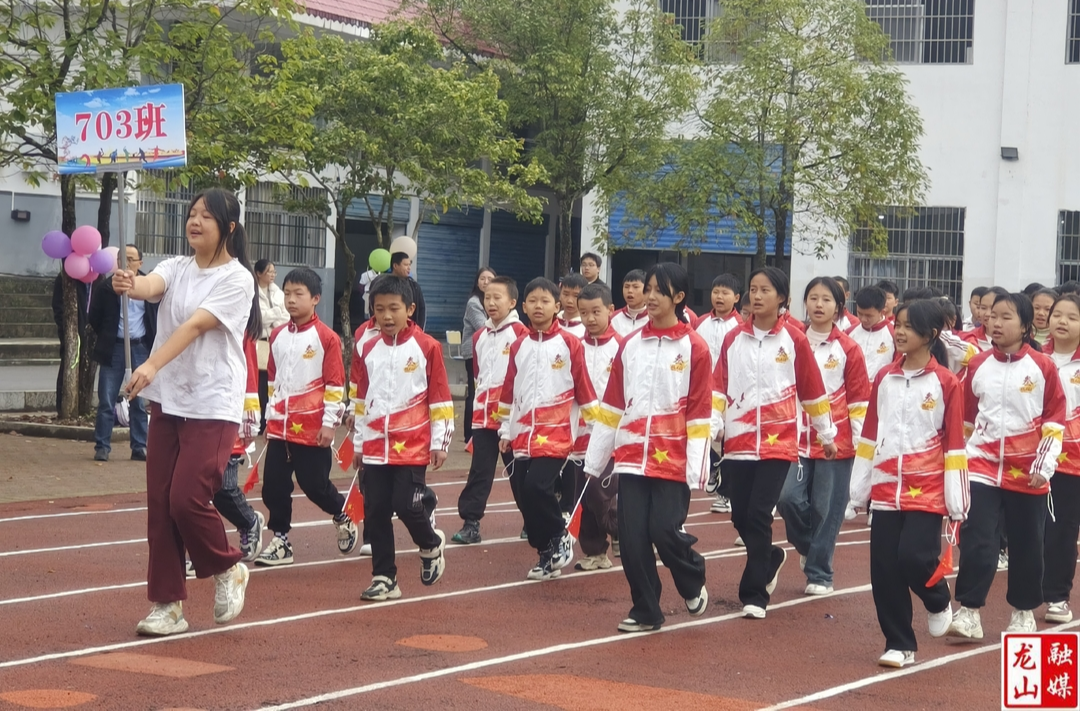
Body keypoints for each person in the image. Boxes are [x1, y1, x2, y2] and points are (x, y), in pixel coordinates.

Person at [114, 187, 259, 636]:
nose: (195, 221)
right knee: (159, 504)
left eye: (206, 217)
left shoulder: (237, 279)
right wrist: (128, 283)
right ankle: (167, 604)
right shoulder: (176, 267)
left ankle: (227, 567)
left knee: (186, 498)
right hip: (170, 401)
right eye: (192, 214)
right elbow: (149, 285)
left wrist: (152, 364)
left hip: (212, 402)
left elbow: (197, 325)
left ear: (228, 228)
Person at [585, 263, 713, 632]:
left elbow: (700, 410)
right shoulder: (630, 345)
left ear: (679, 297)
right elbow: (611, 406)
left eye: (660, 290)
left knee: (663, 531)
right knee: (633, 536)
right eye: (649, 289)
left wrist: (696, 468)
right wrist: (595, 460)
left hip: (672, 459)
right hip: (630, 457)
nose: (651, 296)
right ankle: (645, 608)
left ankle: (691, 576)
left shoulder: (695, 348)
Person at [849, 298, 968, 669]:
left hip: (928, 489)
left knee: (914, 558)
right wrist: (860, 488)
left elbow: (954, 443)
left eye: (908, 327)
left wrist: (956, 499)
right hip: (886, 489)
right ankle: (899, 642)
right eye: (897, 324)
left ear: (930, 335)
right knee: (884, 570)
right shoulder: (885, 378)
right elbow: (870, 434)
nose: (899, 332)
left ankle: (936, 598)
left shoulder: (946, 382)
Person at [715, 266, 837, 619]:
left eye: (765, 290)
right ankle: (770, 558)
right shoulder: (732, 339)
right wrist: (712, 427)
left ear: (781, 298)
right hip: (737, 441)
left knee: (758, 513)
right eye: (753, 289)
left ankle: (754, 594)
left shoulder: (795, 340)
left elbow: (813, 390)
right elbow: (718, 386)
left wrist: (825, 434)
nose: (756, 296)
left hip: (778, 442)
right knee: (740, 515)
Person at [949, 292, 1066, 639]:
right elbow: (967, 420)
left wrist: (1044, 464)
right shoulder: (978, 364)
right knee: (978, 540)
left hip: (1028, 473)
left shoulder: (1043, 367)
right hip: (982, 467)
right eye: (992, 316)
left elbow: (1054, 419)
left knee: (1027, 543)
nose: (995, 323)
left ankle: (1024, 610)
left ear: (1026, 326)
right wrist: (958, 464)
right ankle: (969, 610)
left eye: (1005, 318)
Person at [351, 275, 452, 601]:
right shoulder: (366, 347)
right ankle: (384, 577)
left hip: (413, 445)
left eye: (394, 308)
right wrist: (358, 444)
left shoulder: (427, 347)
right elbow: (362, 401)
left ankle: (430, 543)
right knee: (376, 509)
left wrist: (441, 442)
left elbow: (440, 399)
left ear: (409, 309)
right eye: (379, 309)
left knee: (405, 505)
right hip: (375, 447)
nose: (387, 316)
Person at [255, 268, 357, 567]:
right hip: (280, 427)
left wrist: (330, 424)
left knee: (314, 486)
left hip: (313, 429)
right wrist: (270, 417)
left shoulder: (327, 338)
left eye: (298, 294)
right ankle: (281, 539)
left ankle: (342, 513)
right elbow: (272, 382)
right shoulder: (276, 335)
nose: (291, 300)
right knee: (273, 486)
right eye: (287, 293)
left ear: (315, 299)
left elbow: (336, 384)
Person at [498, 277, 598, 581]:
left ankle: (559, 534)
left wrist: (594, 429)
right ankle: (546, 552)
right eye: (533, 301)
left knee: (537, 487)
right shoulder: (518, 345)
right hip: (522, 435)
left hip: (556, 435)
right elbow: (508, 390)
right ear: (524, 306)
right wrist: (505, 430)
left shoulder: (569, 343)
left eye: (545, 301)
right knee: (525, 498)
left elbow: (584, 386)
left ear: (557, 306)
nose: (538, 306)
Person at [778, 277, 869, 596]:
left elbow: (859, 399)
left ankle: (820, 572)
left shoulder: (848, 348)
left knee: (825, 509)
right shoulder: (789, 340)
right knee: (787, 498)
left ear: (838, 307)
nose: (818, 304)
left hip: (836, 441)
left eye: (826, 299)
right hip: (793, 436)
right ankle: (808, 547)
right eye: (813, 298)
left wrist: (858, 443)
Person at [453, 276, 527, 545]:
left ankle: (531, 519)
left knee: (519, 472)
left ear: (512, 302)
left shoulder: (521, 334)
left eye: (498, 298)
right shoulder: (478, 337)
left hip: (513, 419)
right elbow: (478, 376)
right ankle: (471, 523)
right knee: (479, 471)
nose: (492, 303)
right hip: (484, 418)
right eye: (488, 298)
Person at [88, 244, 157, 461]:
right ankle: (102, 446)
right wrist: (109, 335)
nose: (126, 264)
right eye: (122, 259)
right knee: (107, 399)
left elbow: (155, 317)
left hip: (139, 347)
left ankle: (139, 446)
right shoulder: (107, 287)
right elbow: (94, 318)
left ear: (140, 263)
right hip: (114, 347)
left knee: (138, 401)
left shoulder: (150, 286)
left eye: (131, 259)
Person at [572, 283, 622, 570]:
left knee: (600, 493)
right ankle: (594, 552)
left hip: (611, 436)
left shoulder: (622, 347)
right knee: (583, 495)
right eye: (584, 313)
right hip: (579, 436)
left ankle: (618, 529)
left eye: (596, 312)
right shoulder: (574, 346)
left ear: (610, 311)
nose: (590, 319)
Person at [1043, 294, 1080, 624]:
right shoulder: (1037, 360)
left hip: (1073, 464)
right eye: (1058, 314)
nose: (1063, 321)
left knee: (1064, 530)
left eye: (1072, 316)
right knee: (1039, 530)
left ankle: (1057, 596)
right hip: (1036, 460)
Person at [694, 273, 743, 514]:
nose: (719, 297)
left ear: (736, 297)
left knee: (728, 441)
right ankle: (713, 468)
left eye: (725, 293)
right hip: (703, 390)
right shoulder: (701, 322)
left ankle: (726, 493)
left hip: (728, 392)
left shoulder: (740, 328)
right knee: (703, 435)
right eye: (716, 292)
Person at [51, 271, 94, 418]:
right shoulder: (66, 276)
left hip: (91, 330)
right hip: (72, 331)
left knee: (86, 367)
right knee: (68, 366)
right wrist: (66, 327)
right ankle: (63, 406)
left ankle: (82, 406)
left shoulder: (98, 277)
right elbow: (58, 306)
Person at [461, 267, 496, 445]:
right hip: (473, 351)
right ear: (477, 282)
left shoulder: (492, 301)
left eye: (490, 278)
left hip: (488, 351)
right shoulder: (474, 302)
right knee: (474, 392)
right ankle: (470, 435)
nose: (486, 282)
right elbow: (483, 326)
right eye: (482, 278)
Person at [255, 259, 289, 434]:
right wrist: (276, 314)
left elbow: (286, 318)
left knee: (276, 381)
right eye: (269, 271)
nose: (272, 275)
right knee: (261, 383)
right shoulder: (253, 293)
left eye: (274, 272)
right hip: (260, 344)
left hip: (276, 342)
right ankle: (260, 420)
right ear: (259, 273)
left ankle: (273, 418)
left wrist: (272, 317)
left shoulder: (278, 293)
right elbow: (258, 319)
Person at [848, 286, 895, 383]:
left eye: (869, 316)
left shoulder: (894, 334)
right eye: (860, 313)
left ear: (882, 312)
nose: (863, 319)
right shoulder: (849, 333)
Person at [391, 252, 426, 330]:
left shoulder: (414, 286)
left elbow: (421, 309)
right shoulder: (384, 285)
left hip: (410, 331)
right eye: (406, 265)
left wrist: (419, 330)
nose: (409, 268)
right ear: (395, 266)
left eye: (409, 265)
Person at [610, 270, 648, 337]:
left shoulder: (654, 319)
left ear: (647, 289)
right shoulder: (613, 318)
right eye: (626, 287)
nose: (630, 291)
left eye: (635, 287)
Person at [558, 273, 588, 339]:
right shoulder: (550, 323)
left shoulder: (588, 328)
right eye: (565, 294)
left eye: (576, 296)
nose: (569, 301)